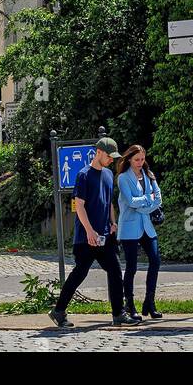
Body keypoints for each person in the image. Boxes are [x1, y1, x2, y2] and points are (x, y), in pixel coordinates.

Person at [50, 137, 131, 329]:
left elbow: (109, 203)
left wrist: (113, 223)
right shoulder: (84, 175)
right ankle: (59, 311)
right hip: (86, 237)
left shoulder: (109, 175)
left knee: (115, 270)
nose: (112, 160)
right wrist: (89, 231)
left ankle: (118, 314)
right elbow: (80, 206)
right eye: (109, 156)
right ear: (99, 152)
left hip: (105, 235)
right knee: (80, 273)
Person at [117, 144, 163, 321]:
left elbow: (158, 198)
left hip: (147, 227)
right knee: (132, 267)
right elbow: (131, 201)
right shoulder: (123, 178)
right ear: (129, 159)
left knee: (155, 261)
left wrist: (145, 204)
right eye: (136, 159)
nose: (140, 162)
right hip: (129, 228)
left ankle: (149, 303)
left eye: (142, 159)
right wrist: (147, 200)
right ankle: (129, 305)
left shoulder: (149, 175)